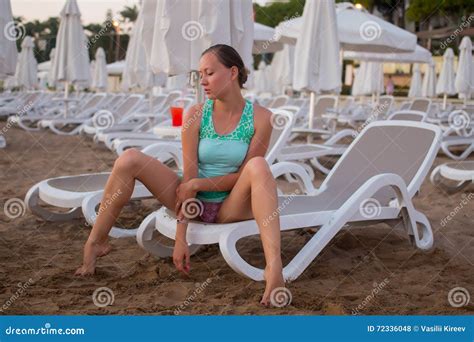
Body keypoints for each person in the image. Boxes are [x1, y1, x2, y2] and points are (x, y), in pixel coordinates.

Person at [75, 44, 286, 305]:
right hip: (193, 201)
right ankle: (96, 242)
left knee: (260, 167)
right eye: (200, 75)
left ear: (233, 73)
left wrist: (198, 183)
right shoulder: (195, 114)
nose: (203, 81)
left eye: (209, 73)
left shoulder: (262, 118)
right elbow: (188, 180)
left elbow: (245, 174)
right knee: (128, 158)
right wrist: (180, 238)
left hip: (231, 204)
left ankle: (274, 267)